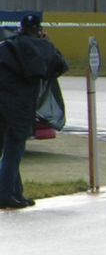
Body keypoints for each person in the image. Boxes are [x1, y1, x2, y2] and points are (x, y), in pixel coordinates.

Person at [0, 14, 69, 209]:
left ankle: (15, 193)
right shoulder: (42, 47)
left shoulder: (7, 45)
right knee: (15, 149)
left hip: (2, 104)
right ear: (38, 30)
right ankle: (5, 194)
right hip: (20, 106)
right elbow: (61, 65)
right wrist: (48, 42)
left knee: (10, 151)